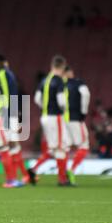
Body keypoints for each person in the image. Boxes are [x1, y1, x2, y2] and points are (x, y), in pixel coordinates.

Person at [29, 55, 71, 186]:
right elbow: (61, 100)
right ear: (62, 67)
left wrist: (45, 107)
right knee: (60, 147)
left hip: (45, 117)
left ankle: (33, 170)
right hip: (55, 117)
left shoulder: (44, 80)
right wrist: (64, 110)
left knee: (53, 148)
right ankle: (62, 179)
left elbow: (37, 98)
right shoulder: (58, 81)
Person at [0, 54, 29, 183]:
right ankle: (20, 175)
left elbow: (3, 95)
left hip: (6, 113)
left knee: (6, 145)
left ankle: (14, 177)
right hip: (11, 112)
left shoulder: (0, 76)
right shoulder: (9, 74)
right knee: (12, 144)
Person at [63, 66, 90, 185]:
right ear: (69, 72)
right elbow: (86, 94)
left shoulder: (59, 85)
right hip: (75, 118)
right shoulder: (78, 83)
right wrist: (83, 112)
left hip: (62, 120)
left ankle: (62, 175)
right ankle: (71, 170)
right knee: (84, 145)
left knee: (65, 147)